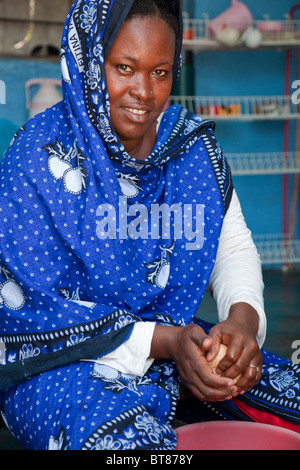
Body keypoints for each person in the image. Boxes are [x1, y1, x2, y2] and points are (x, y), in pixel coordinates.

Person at [0, 0, 299, 450]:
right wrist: (166, 342)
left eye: (160, 72)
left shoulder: (190, 149)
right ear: (88, 62)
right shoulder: (36, 158)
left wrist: (241, 323)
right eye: (124, 67)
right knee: (123, 442)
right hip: (55, 365)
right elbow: (30, 312)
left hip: (174, 348)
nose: (144, 92)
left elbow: (231, 246)